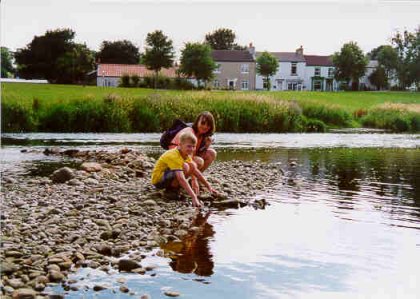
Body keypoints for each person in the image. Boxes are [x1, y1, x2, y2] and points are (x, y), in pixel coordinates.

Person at [151, 131, 218, 208]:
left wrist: (209, 186)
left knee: (192, 165)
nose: (191, 149)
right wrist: (193, 197)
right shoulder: (174, 155)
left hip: (168, 176)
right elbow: (181, 178)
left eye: (193, 146)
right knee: (185, 167)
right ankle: (171, 190)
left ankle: (175, 187)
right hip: (158, 181)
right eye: (189, 146)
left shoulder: (185, 154)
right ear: (180, 145)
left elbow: (196, 171)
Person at [169, 111, 217, 194]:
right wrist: (194, 180)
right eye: (203, 123)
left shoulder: (202, 136)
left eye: (208, 125)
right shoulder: (189, 132)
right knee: (198, 161)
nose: (205, 126)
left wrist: (205, 146)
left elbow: (195, 154)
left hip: (184, 161)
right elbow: (190, 158)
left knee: (211, 153)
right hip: (173, 163)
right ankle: (173, 186)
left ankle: (190, 181)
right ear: (197, 122)